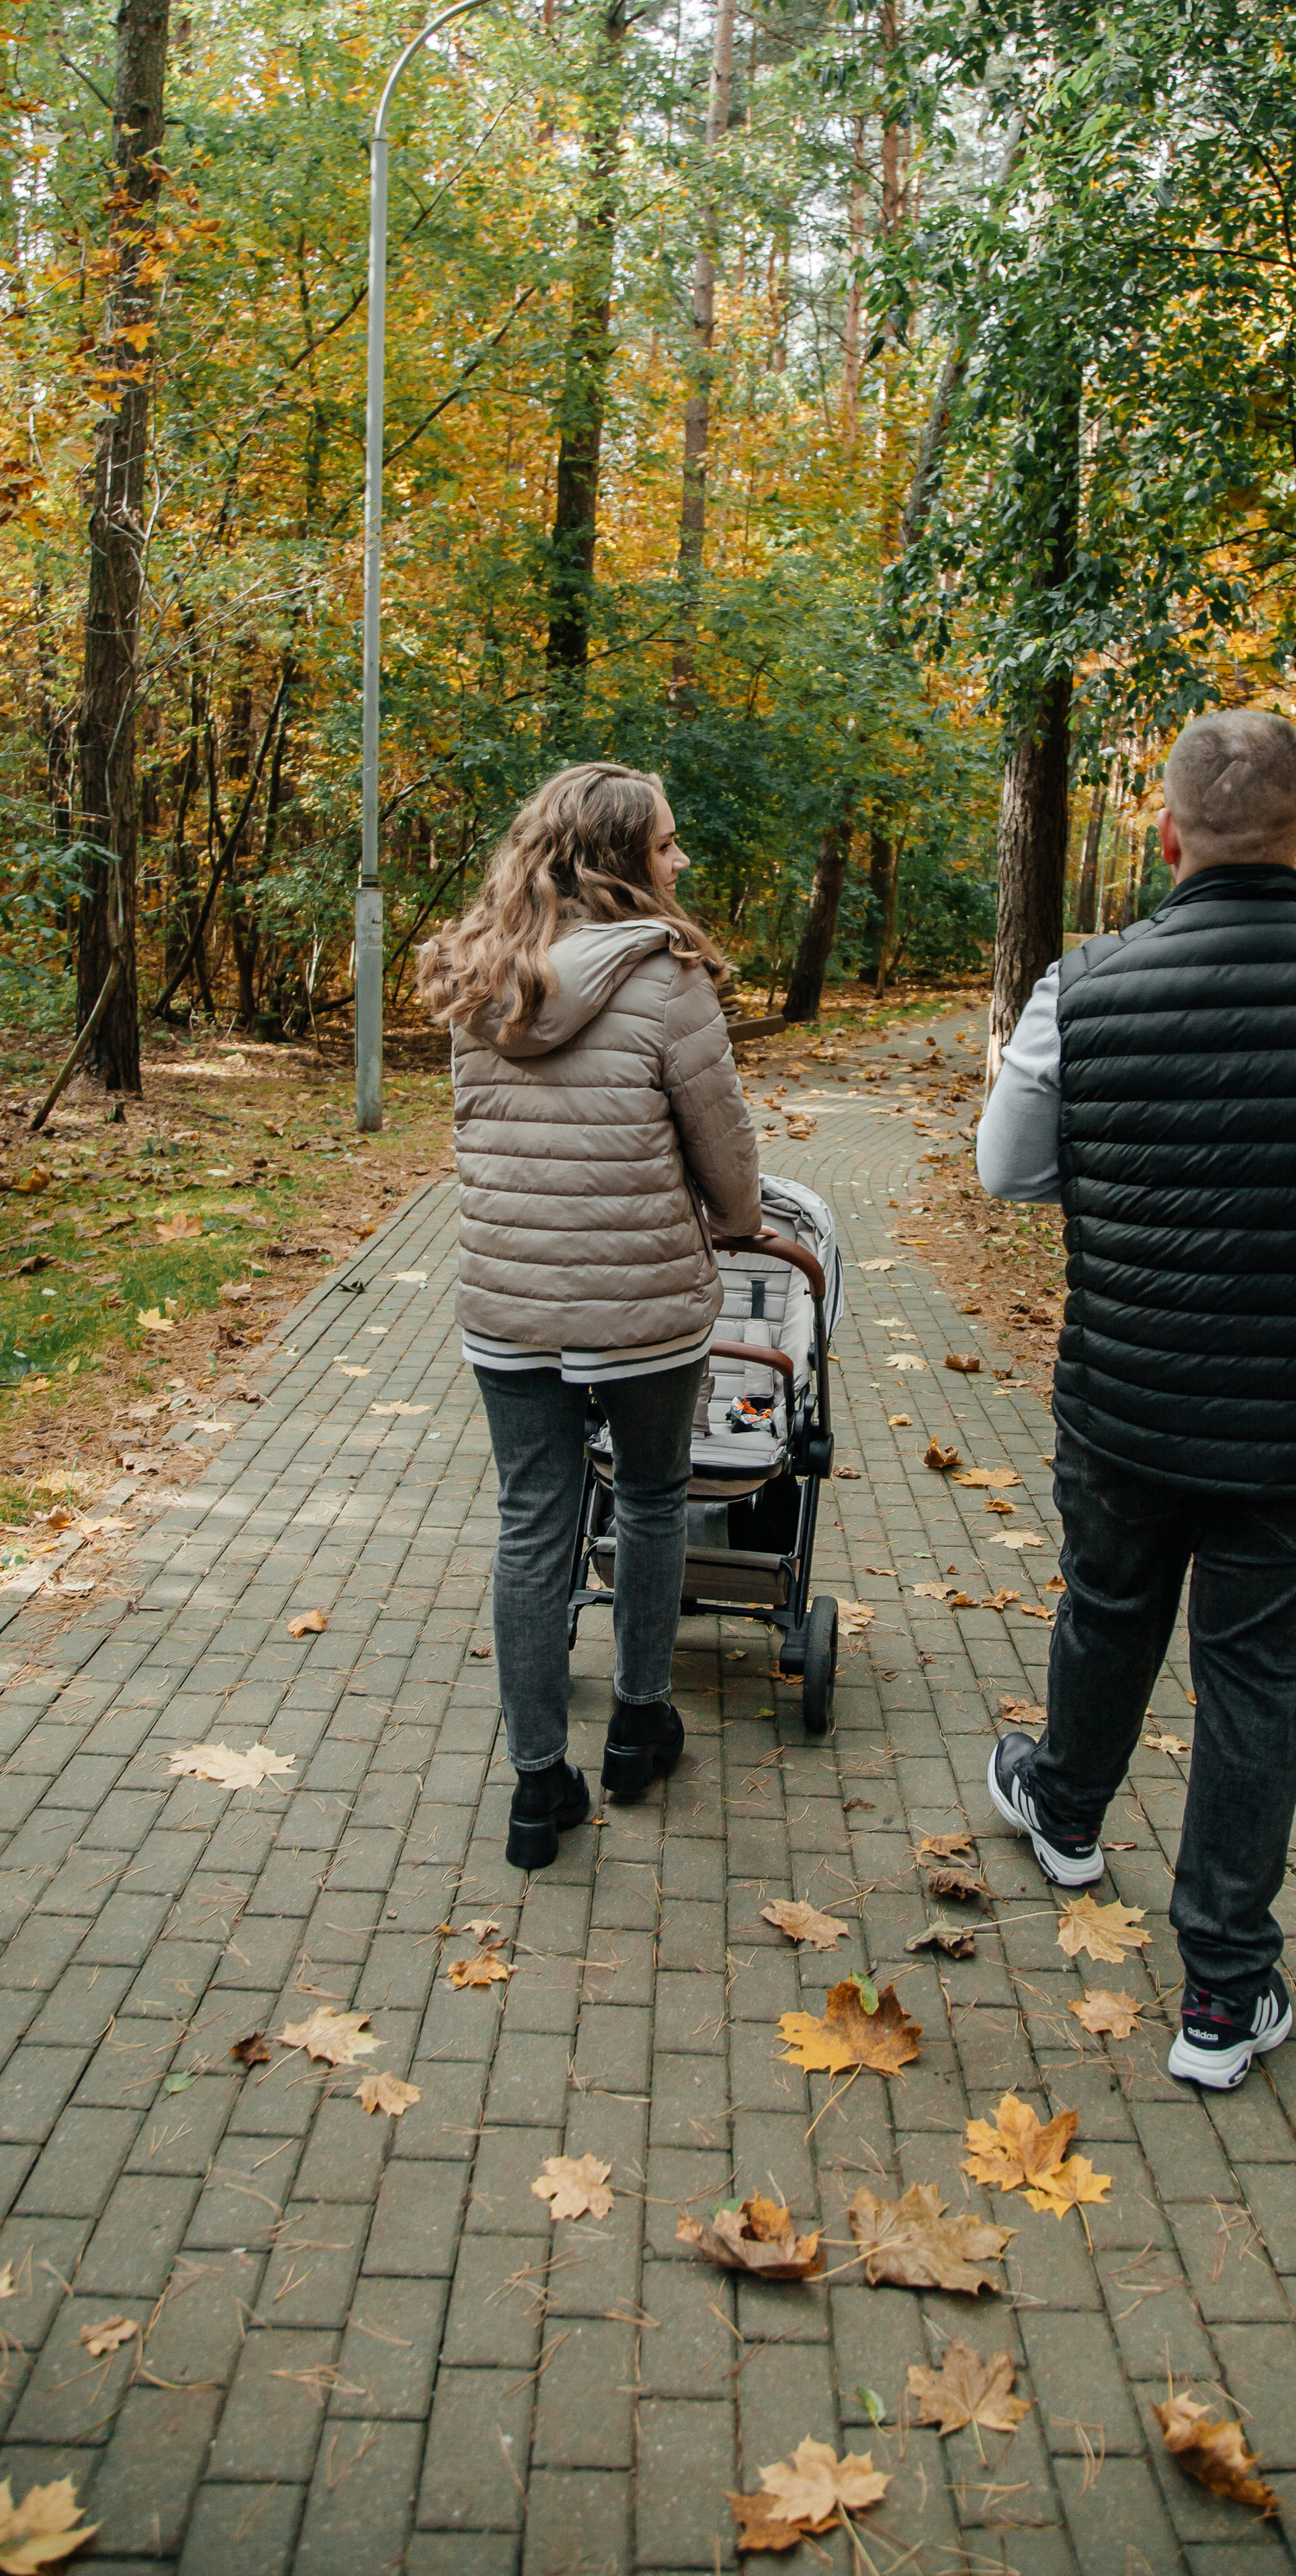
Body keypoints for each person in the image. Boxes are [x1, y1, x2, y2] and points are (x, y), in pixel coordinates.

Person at [976, 708, 1296, 2090]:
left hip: (1129, 1391)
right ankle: (1224, 1994)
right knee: (1255, 1683)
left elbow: (1010, 1172)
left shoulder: (1084, 985)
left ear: (1168, 835)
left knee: (1110, 1604)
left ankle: (1067, 1812)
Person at [418, 762, 760, 1871]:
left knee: (532, 1523)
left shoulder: (482, 976)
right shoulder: (668, 979)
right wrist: (739, 1221)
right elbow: (722, 1146)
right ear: (618, 858)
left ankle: (535, 1789)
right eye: (666, 842)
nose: (680, 859)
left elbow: (475, 1135)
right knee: (653, 1498)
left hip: (509, 1299)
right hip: (644, 1301)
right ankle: (637, 1729)